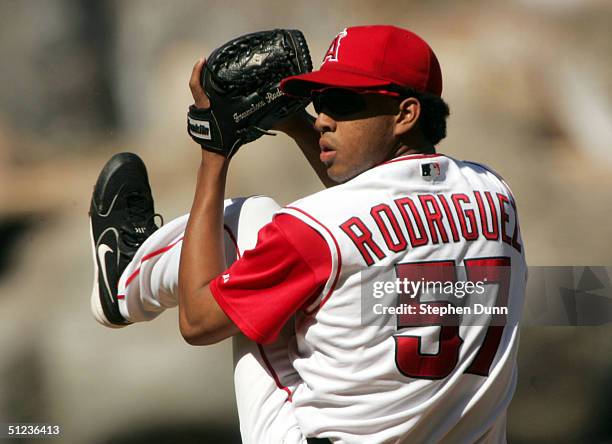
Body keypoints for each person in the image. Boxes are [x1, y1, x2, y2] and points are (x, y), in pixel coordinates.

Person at [89, 25, 527, 443]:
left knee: (250, 220)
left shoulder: (314, 229)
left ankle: (127, 280)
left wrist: (214, 154)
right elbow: (374, 210)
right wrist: (295, 122)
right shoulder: (494, 193)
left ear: (406, 114)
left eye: (343, 102)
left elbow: (198, 322)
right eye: (318, 101)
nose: (323, 119)